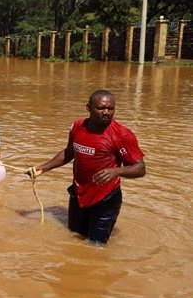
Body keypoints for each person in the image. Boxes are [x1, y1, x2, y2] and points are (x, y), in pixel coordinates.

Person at [27, 89, 146, 245]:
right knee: (73, 238)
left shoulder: (122, 135)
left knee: (96, 247)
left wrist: (117, 171)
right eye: (101, 108)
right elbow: (70, 152)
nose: (106, 113)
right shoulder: (77, 127)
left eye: (111, 108)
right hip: (78, 195)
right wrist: (42, 168)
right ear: (88, 108)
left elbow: (140, 168)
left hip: (105, 199)